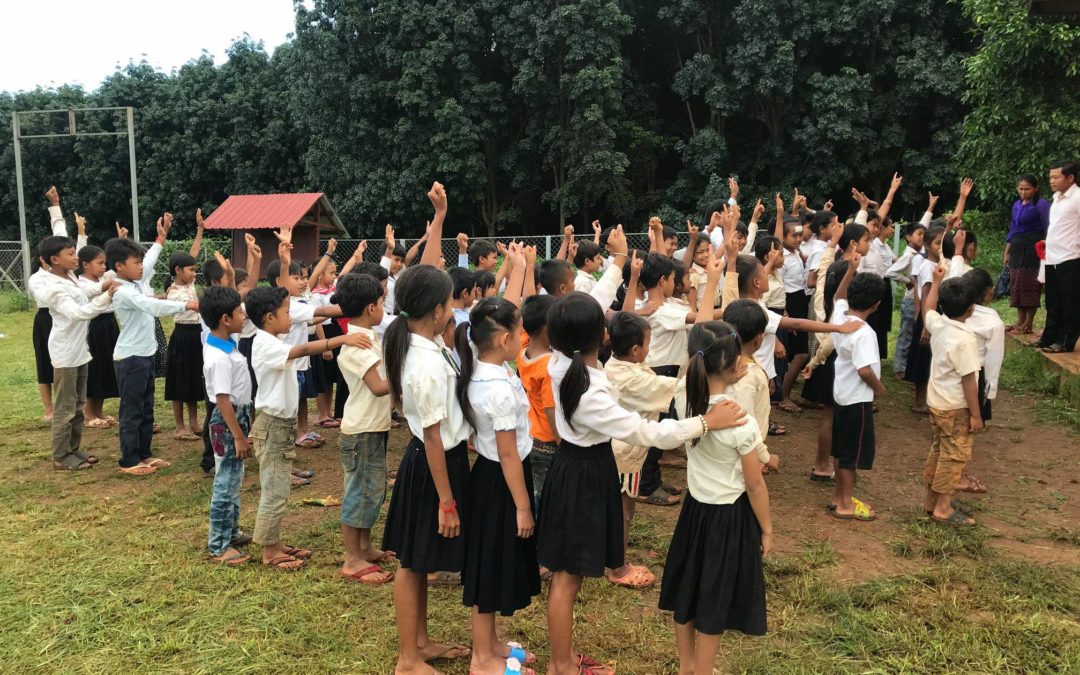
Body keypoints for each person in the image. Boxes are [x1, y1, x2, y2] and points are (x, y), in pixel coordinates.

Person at [538, 292, 749, 675]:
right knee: (567, 579)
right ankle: (561, 665)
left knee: (571, 576)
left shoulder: (562, 363)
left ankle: (564, 658)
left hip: (579, 466)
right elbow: (645, 432)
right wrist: (705, 422)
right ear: (602, 335)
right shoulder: (588, 390)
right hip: (582, 474)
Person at [658, 321, 772, 675]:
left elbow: (697, 373)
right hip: (729, 518)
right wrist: (767, 529)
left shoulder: (684, 397)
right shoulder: (739, 419)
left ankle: (687, 666)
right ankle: (704, 671)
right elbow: (755, 484)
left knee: (688, 588)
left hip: (695, 512)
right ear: (737, 364)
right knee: (714, 598)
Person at [246, 271, 371, 570]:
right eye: (286, 313)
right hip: (272, 426)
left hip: (281, 425)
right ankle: (269, 551)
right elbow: (302, 349)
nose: (291, 318)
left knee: (280, 488)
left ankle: (274, 542)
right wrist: (342, 339)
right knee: (274, 489)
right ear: (269, 318)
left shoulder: (271, 339)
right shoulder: (264, 343)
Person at [458, 296, 542, 675]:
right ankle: (481, 659)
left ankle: (491, 644)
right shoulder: (497, 389)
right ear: (505, 339)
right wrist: (523, 506)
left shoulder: (485, 369)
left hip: (494, 476)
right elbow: (508, 454)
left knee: (491, 563)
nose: (523, 337)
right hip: (501, 480)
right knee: (488, 570)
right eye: (520, 331)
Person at [107, 237, 198, 476]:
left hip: (145, 354)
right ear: (119, 266)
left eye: (140, 262)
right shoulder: (123, 291)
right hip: (131, 358)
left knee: (146, 408)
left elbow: (148, 263)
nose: (141, 267)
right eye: (135, 263)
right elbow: (152, 306)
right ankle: (129, 460)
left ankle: (144, 454)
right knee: (132, 410)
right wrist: (185, 305)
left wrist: (159, 241)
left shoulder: (135, 283)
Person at [333, 272, 395, 585]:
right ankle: (352, 559)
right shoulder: (358, 347)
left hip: (373, 426)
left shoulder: (367, 339)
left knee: (373, 490)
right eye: (382, 302)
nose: (384, 308)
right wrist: (407, 377)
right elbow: (379, 387)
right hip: (362, 431)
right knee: (359, 493)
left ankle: (365, 547)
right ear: (371, 308)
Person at [38, 235, 114, 470]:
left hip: (80, 351)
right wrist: (107, 297)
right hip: (66, 354)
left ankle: (73, 448)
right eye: (70, 254)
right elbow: (79, 313)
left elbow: (88, 291)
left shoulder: (70, 277)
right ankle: (61, 456)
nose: (76, 257)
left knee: (78, 403)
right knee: (65, 407)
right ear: (55, 259)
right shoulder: (54, 288)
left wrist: (105, 287)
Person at [920, 263, 983, 526]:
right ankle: (943, 509)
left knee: (939, 450)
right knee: (954, 456)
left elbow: (927, 309)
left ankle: (931, 502)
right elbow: (969, 380)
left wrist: (936, 282)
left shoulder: (939, 324)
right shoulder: (965, 339)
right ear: (971, 309)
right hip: (956, 407)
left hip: (937, 404)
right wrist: (976, 415)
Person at [827, 261, 886, 522]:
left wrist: (850, 270)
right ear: (876, 305)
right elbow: (865, 371)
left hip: (841, 395)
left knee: (841, 451)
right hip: (858, 401)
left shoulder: (840, 317)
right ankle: (845, 503)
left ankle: (838, 497)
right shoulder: (865, 333)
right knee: (851, 455)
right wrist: (880, 389)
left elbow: (838, 296)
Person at [201, 285, 255, 566]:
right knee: (225, 482)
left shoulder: (225, 343)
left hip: (237, 417)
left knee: (234, 477)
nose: (243, 317)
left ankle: (231, 532)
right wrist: (238, 436)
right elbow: (222, 400)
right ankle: (219, 545)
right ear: (225, 319)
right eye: (239, 313)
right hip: (228, 421)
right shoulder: (219, 357)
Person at [517, 294, 558, 506]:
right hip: (548, 439)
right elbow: (551, 409)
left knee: (534, 486)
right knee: (545, 493)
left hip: (530, 433)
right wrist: (562, 444)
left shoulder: (522, 351)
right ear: (546, 328)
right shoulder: (549, 366)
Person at [76, 243, 120, 429]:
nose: (104, 267)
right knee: (94, 368)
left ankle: (98, 411)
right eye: (99, 263)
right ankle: (88, 414)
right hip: (94, 327)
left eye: (104, 263)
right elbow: (94, 290)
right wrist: (109, 283)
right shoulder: (80, 283)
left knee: (106, 366)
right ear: (85, 264)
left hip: (109, 324)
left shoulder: (104, 278)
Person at [905, 224, 947, 413]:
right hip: (928, 316)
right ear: (928, 245)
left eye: (944, 243)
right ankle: (919, 400)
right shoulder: (926, 267)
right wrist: (926, 326)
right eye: (938, 243)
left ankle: (930, 398)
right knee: (923, 359)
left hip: (937, 315)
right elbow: (925, 296)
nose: (941, 247)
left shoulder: (941, 265)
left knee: (933, 358)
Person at [1039, 160, 1080, 353]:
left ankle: (1065, 341)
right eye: (1050, 177)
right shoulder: (1056, 197)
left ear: (1070, 178)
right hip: (1052, 257)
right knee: (1053, 301)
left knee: (1070, 302)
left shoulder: (1078, 197)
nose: (1052, 181)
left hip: (1071, 257)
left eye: (1056, 177)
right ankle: (1049, 337)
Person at [165, 251, 204, 441]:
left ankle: (194, 423)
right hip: (182, 337)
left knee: (193, 378)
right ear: (178, 270)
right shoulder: (173, 293)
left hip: (196, 335)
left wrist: (199, 234)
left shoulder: (190, 284)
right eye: (191, 270)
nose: (194, 274)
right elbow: (192, 307)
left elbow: (192, 254)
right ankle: (180, 427)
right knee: (179, 380)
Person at [1004, 175, 1050, 335]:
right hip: (1017, 247)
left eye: (1027, 189)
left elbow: (1048, 226)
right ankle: (1020, 319)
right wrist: (1007, 251)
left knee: (1030, 283)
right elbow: (1013, 228)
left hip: (1033, 247)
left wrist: (1048, 246)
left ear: (1036, 188)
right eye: (1020, 189)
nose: (1023, 192)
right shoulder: (1017, 204)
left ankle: (1028, 322)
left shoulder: (1041, 204)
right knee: (1016, 282)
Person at [886, 222, 927, 376]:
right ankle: (899, 369)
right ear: (909, 237)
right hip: (910, 300)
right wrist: (908, 281)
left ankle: (908, 367)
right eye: (919, 234)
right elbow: (890, 272)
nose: (922, 237)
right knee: (906, 335)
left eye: (924, 234)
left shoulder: (921, 253)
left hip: (920, 299)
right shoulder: (909, 255)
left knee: (914, 335)